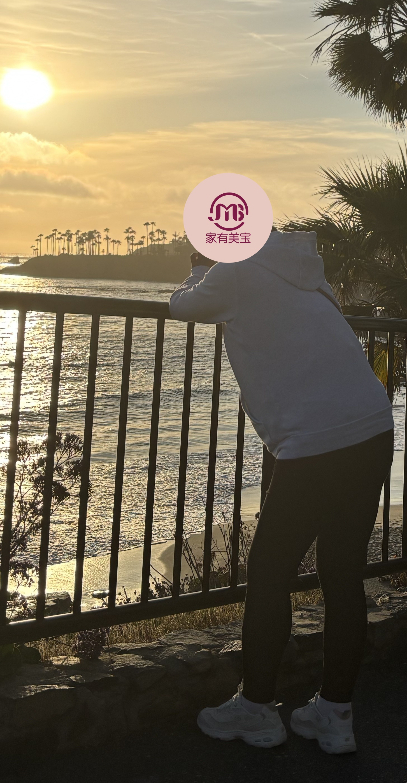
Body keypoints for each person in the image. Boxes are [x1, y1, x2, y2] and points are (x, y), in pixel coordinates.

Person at [169, 229, 394, 754]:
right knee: (342, 574)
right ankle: (335, 715)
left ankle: (256, 708)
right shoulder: (308, 273)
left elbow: (182, 305)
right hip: (371, 427)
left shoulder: (235, 269)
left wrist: (200, 265)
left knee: (269, 573)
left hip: (316, 440)